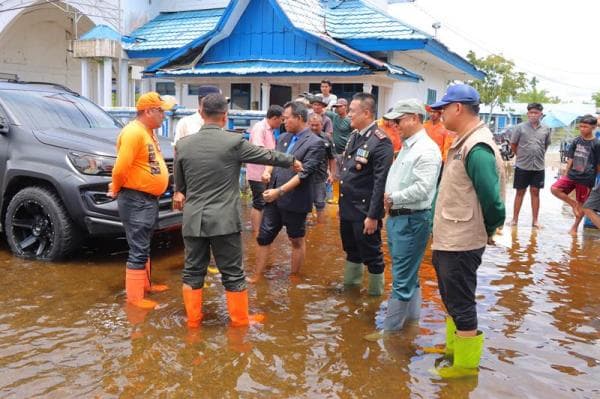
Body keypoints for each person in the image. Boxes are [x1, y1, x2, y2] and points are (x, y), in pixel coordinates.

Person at [173, 93, 302, 328]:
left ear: (201, 114)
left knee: (192, 272)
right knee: (232, 272)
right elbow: (266, 155)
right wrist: (291, 160)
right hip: (224, 221)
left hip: (193, 220)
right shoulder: (233, 143)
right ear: (225, 116)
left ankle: (193, 322)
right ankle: (240, 323)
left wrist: (179, 192)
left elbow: (179, 186)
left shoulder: (183, 145)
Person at [427, 84, 505, 378]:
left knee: (461, 301)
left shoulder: (478, 147)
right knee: (450, 297)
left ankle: (466, 368)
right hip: (450, 237)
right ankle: (453, 351)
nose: (441, 114)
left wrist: (485, 230)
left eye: (444, 109)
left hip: (462, 241)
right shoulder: (464, 141)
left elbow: (493, 202)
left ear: (458, 108)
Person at [109, 92, 175, 310]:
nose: (164, 116)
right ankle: (135, 299)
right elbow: (120, 168)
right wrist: (115, 188)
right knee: (138, 247)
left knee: (144, 244)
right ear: (148, 111)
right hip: (136, 198)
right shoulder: (133, 133)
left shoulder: (146, 131)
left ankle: (144, 286)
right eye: (161, 111)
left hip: (147, 199)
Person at [380, 99, 441, 331]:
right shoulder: (408, 146)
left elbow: (424, 188)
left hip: (411, 219)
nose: (395, 125)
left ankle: (389, 334)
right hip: (399, 218)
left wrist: (393, 198)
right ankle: (411, 324)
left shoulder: (426, 149)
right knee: (409, 274)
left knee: (401, 280)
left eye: (399, 120)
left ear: (414, 118)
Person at [250, 101, 325, 283]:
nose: (284, 122)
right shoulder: (283, 137)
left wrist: (279, 191)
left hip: (295, 200)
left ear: (299, 118)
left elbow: (304, 174)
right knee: (263, 237)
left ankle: (294, 276)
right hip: (273, 199)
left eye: (287, 118)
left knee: (296, 239)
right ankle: (257, 275)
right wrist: (267, 172)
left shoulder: (316, 143)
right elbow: (274, 159)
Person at [339, 92, 394, 296]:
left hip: (364, 211)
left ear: (367, 113)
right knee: (351, 251)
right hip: (347, 208)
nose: (348, 115)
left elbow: (380, 183)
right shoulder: (354, 136)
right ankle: (351, 291)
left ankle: (374, 298)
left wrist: (373, 216)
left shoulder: (381, 142)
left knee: (372, 255)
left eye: (352, 111)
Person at [551, 115, 600, 236]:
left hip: (586, 178)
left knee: (583, 205)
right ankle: (572, 204)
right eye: (581, 126)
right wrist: (566, 173)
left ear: (593, 127)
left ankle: (575, 227)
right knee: (555, 189)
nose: (582, 129)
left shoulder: (596, 144)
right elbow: (570, 158)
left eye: (585, 127)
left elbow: (598, 164)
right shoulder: (576, 140)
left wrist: (596, 179)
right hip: (572, 175)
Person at [510, 102, 552, 228]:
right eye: (531, 113)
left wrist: (538, 155)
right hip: (522, 165)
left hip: (538, 167)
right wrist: (521, 156)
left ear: (541, 114)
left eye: (536, 113)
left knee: (535, 192)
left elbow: (546, 145)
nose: (533, 115)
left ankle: (535, 221)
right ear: (527, 114)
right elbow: (513, 144)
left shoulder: (546, 129)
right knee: (520, 192)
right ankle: (514, 219)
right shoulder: (520, 128)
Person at [247, 105, 284, 237]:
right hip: (259, 172)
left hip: (266, 172)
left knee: (266, 201)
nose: (282, 123)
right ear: (274, 118)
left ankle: (261, 230)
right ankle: (256, 232)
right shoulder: (260, 128)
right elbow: (260, 152)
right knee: (259, 202)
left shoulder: (269, 130)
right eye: (281, 119)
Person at [308, 113, 336, 224]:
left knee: (320, 204)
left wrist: (332, 174)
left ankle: (320, 229)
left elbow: (332, 158)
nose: (314, 128)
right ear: (308, 124)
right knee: (303, 204)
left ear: (322, 124)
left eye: (317, 125)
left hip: (320, 176)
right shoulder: (303, 137)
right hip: (304, 176)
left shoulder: (327, 138)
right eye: (312, 125)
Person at [325, 98, 353, 204]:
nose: (337, 109)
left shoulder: (349, 120)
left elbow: (353, 134)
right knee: (336, 175)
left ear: (345, 107)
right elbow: (323, 110)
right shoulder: (334, 117)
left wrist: (349, 148)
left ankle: (345, 197)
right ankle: (336, 197)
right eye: (336, 107)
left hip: (346, 152)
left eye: (339, 106)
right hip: (335, 152)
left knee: (346, 175)